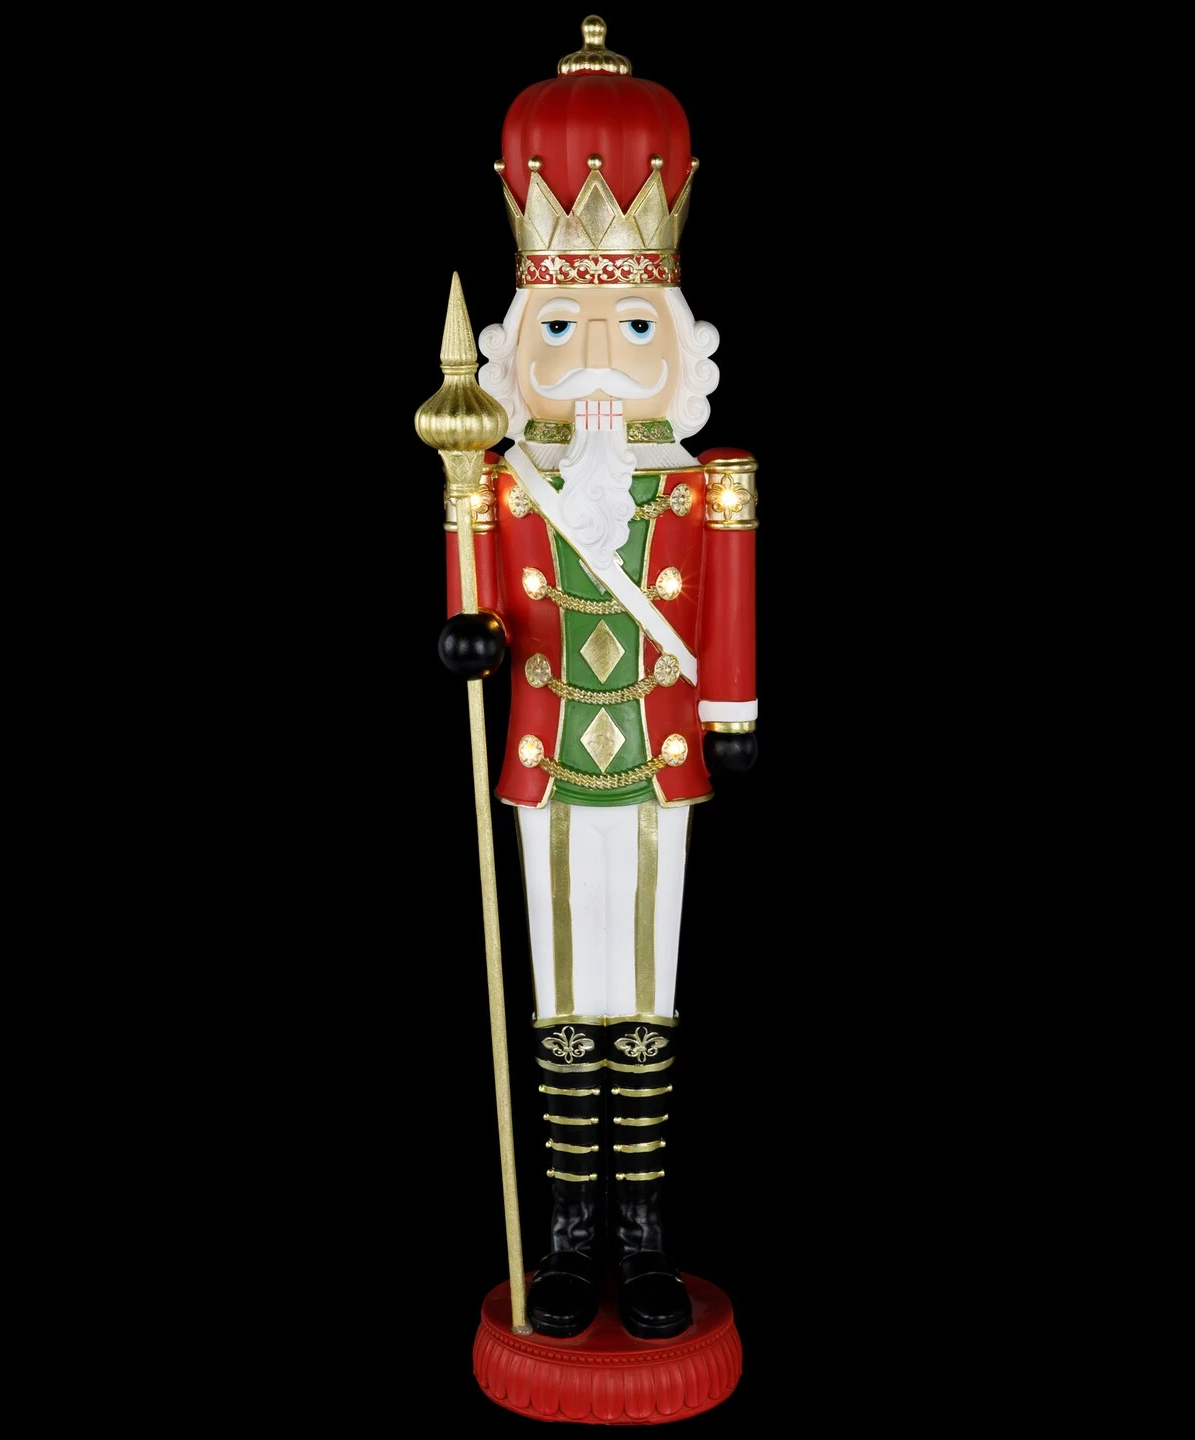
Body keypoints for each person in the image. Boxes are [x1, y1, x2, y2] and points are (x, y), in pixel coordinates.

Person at [438, 15, 757, 1341]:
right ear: (523, 340)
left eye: (631, 324)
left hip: (663, 759)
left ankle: (646, 1228)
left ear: (675, 334)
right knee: (564, 985)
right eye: (565, 326)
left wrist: (733, 712)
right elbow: (477, 587)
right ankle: (569, 1227)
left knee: (653, 980)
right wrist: (466, 633)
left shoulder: (702, 487)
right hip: (550, 754)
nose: (600, 359)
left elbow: (728, 606)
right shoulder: (507, 483)